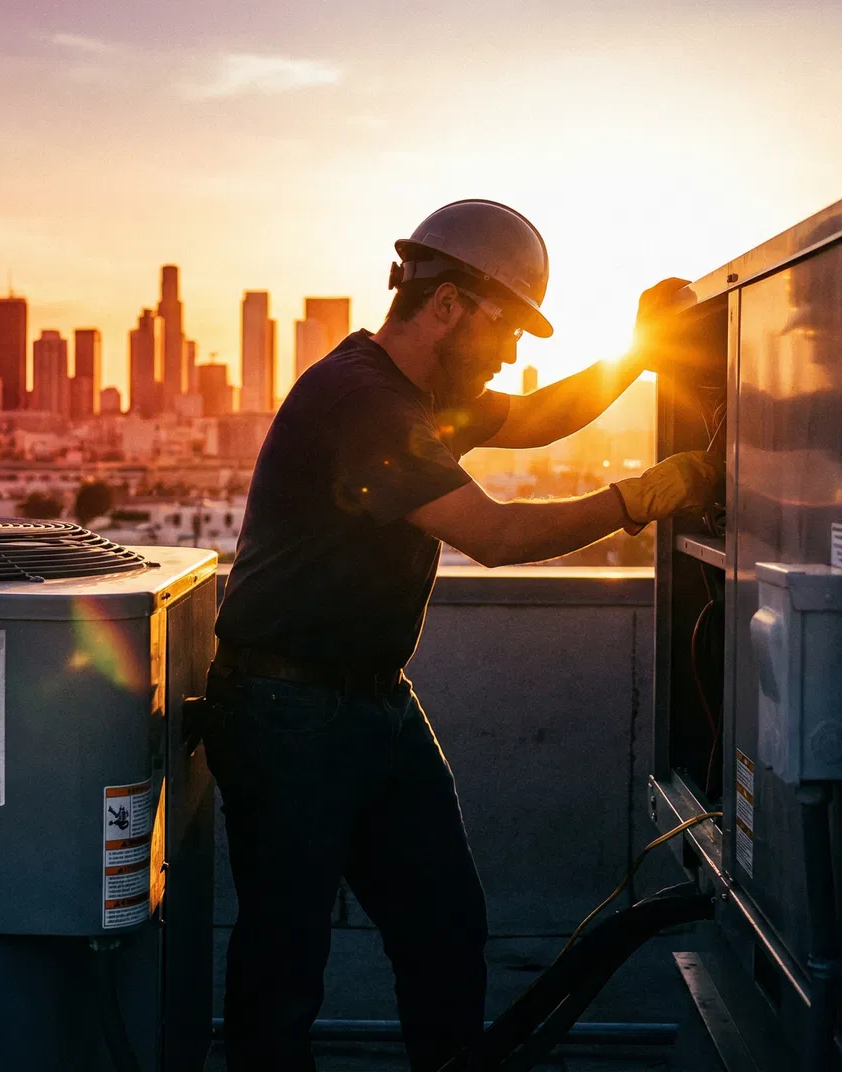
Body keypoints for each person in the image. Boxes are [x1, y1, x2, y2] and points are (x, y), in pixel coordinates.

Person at [204, 200, 719, 1071]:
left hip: (373, 705)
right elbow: (496, 537)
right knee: (285, 963)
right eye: (506, 326)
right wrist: (638, 498)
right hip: (285, 712)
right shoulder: (362, 402)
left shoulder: (419, 397)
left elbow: (535, 418)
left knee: (445, 925)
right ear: (446, 305)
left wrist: (638, 356)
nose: (513, 350)